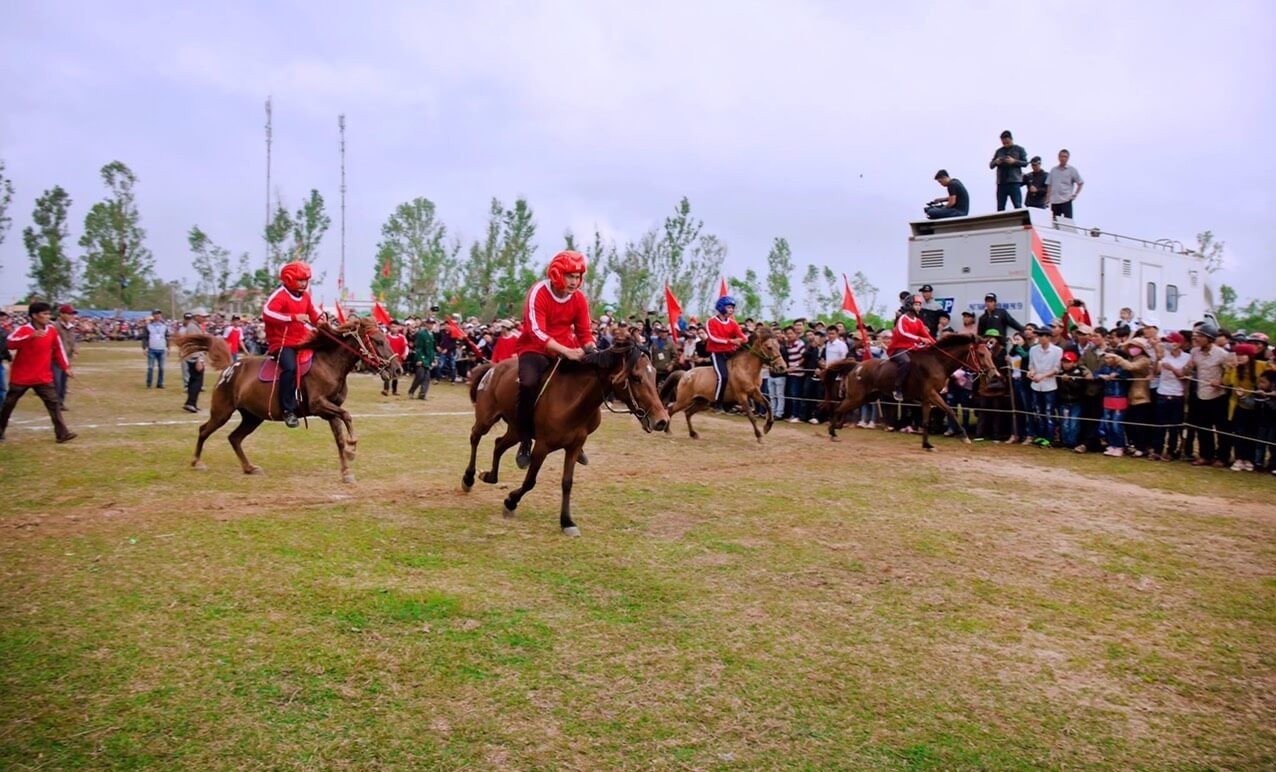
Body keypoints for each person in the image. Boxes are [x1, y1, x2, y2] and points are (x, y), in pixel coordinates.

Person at [514, 250, 596, 470]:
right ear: (557, 273)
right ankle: (524, 440)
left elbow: (585, 332)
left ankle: (576, 438)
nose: (574, 281)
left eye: (578, 277)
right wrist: (566, 351)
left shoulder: (579, 299)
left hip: (565, 348)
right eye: (570, 276)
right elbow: (536, 332)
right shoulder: (538, 292)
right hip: (534, 349)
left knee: (585, 384)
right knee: (528, 383)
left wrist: (591, 350)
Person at [0, 301, 76, 443]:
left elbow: (58, 350)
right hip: (21, 377)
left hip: (42, 377)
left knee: (53, 404)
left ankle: (62, 433)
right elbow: (10, 342)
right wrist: (31, 336)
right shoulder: (23, 329)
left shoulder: (52, 330)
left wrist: (66, 367)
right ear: (34, 315)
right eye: (44, 314)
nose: (48, 316)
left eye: (49, 313)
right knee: (8, 404)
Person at [262, 261, 320, 428]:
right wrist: (293, 317)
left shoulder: (305, 296)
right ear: (289, 279)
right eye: (300, 280)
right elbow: (267, 313)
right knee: (290, 368)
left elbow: (313, 314)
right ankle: (287, 410)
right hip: (281, 343)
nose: (304, 283)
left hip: (302, 341)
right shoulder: (280, 295)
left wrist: (322, 320)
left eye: (305, 280)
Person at [888, 295, 936, 402]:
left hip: (913, 349)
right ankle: (897, 388)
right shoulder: (902, 318)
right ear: (909, 305)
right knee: (906, 362)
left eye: (919, 305)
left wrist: (936, 345)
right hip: (898, 348)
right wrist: (920, 339)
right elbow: (902, 333)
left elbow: (926, 335)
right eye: (916, 305)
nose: (919, 307)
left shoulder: (918, 322)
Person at [706, 295, 747, 412]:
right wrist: (731, 341)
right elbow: (713, 337)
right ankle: (717, 403)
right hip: (717, 353)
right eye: (729, 307)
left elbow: (743, 337)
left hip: (730, 353)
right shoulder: (711, 321)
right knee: (722, 376)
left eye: (732, 308)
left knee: (738, 376)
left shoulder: (733, 323)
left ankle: (733, 402)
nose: (731, 310)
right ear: (721, 307)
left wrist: (743, 339)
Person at [1028, 328, 1063, 447]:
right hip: (1036, 385)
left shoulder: (1057, 350)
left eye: (1043, 336)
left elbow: (1056, 369)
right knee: (1037, 411)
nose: (1040, 338)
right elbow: (1031, 365)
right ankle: (1040, 435)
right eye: (1039, 336)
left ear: (1048, 337)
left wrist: (1042, 376)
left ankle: (1050, 437)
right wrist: (1031, 372)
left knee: (1048, 412)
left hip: (1049, 386)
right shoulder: (1033, 349)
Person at [989, 130, 1028, 211]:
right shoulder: (999, 151)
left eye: (1007, 142)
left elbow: (1025, 163)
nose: (1005, 144)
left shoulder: (1019, 149)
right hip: (1001, 182)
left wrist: (1014, 161)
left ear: (1011, 139)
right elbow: (991, 165)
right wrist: (996, 162)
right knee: (1000, 207)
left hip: (1014, 181)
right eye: (1003, 143)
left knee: (1017, 205)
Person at [51, 304, 77, 410]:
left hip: (67, 358)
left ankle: (60, 402)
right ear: (61, 314)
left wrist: (75, 350)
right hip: (55, 359)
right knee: (56, 382)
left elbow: (73, 340)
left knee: (63, 382)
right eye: (69, 313)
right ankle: (54, 403)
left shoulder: (71, 327)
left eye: (72, 314)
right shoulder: (54, 326)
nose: (71, 316)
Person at [1046, 149, 1084, 219]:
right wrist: (1047, 199)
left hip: (1066, 199)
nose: (1063, 158)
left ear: (1068, 158)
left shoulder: (1072, 170)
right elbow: (1049, 185)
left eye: (1065, 157)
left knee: (1068, 221)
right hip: (1054, 200)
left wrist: (1075, 194)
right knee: (1055, 222)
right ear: (1058, 157)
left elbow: (1080, 182)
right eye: (1061, 156)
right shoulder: (1053, 170)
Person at [181, 311, 207, 413]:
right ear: (197, 316)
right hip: (194, 358)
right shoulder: (192, 327)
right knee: (197, 382)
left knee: (194, 381)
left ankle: (191, 402)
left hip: (194, 357)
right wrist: (198, 359)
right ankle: (191, 403)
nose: (205, 319)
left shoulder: (194, 326)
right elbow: (194, 344)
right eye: (203, 317)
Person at [409, 319, 437, 399]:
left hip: (428, 359)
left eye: (432, 324)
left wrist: (433, 359)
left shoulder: (431, 334)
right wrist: (419, 359)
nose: (431, 325)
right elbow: (419, 348)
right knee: (419, 376)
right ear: (426, 324)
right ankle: (411, 391)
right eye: (430, 323)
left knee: (427, 378)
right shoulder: (421, 334)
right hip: (422, 359)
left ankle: (422, 394)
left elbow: (431, 349)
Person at [143, 309, 169, 388]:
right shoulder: (148, 326)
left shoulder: (164, 326)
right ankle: (149, 383)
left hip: (161, 349)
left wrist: (168, 347)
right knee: (150, 367)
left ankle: (160, 383)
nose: (158, 315)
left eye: (159, 314)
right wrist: (145, 348)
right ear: (153, 315)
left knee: (161, 368)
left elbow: (167, 337)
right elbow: (145, 338)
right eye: (156, 314)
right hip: (152, 349)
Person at [383, 321, 408, 396]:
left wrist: (405, 354)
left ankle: (394, 390)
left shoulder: (402, 337)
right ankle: (386, 389)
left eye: (395, 327)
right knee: (387, 374)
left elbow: (406, 347)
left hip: (397, 359)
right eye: (392, 327)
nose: (393, 328)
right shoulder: (386, 336)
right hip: (388, 359)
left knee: (395, 375)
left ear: (398, 328)